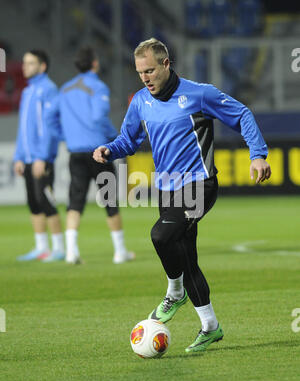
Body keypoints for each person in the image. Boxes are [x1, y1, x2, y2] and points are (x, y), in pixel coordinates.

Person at [93, 38, 271, 353]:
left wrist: (257, 154)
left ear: (166, 64)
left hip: (199, 185)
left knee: (161, 236)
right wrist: (110, 149)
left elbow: (242, 114)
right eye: (139, 72)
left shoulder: (198, 94)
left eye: (149, 70)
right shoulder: (140, 101)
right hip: (167, 188)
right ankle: (210, 327)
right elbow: (128, 139)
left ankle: (174, 292)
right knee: (186, 256)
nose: (145, 78)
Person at [46, 46, 134, 264]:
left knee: (75, 201)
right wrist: (114, 137)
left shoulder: (64, 89)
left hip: (75, 151)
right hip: (98, 150)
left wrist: (67, 135)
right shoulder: (98, 87)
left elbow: (50, 119)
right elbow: (98, 117)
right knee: (109, 200)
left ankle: (71, 251)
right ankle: (119, 251)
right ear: (94, 63)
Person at [14, 50, 65, 262]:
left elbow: (50, 128)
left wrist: (42, 157)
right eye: (25, 63)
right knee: (33, 203)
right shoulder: (28, 91)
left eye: (30, 63)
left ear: (42, 66)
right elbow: (23, 129)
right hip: (27, 158)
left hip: (41, 159)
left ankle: (59, 248)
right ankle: (41, 247)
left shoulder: (49, 90)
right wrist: (19, 155)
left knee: (46, 201)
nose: (25, 67)